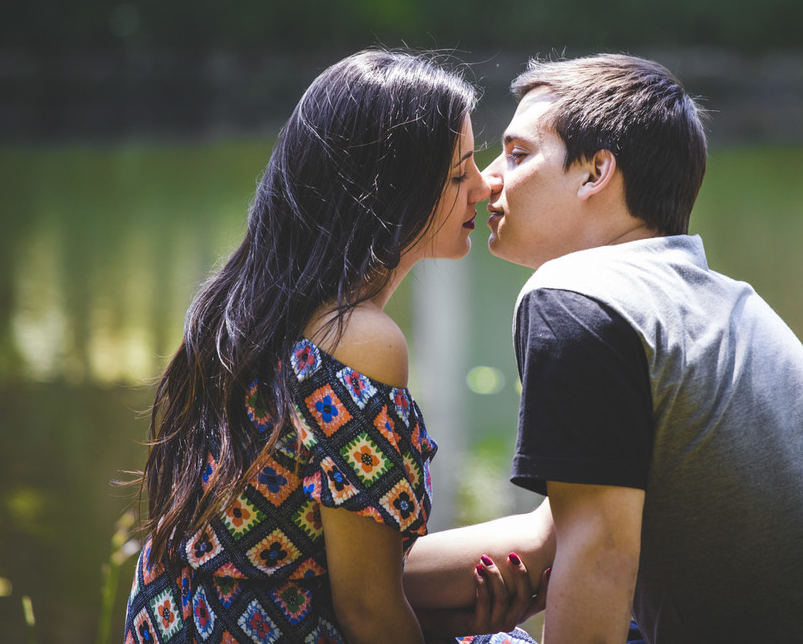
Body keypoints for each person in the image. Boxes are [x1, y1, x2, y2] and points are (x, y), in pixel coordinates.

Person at [476, 54, 803, 642]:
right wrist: (355, 583)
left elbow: (600, 562)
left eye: (516, 155)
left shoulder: (574, 298)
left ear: (595, 173)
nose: (490, 177)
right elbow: (551, 540)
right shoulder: (683, 290)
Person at [124, 49, 548, 644]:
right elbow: (369, 612)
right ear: (389, 192)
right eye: (458, 174)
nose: (485, 185)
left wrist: (455, 615)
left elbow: (314, 569)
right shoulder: (358, 341)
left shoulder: (246, 307)